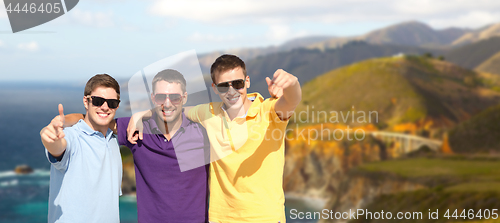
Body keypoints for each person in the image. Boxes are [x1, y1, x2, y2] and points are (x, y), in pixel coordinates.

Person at [129, 54, 302, 222]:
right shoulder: (209, 112)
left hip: (265, 218)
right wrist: (140, 115)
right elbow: (174, 109)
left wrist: (292, 84)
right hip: (220, 218)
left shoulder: (269, 111)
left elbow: (291, 101)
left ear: (247, 81)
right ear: (214, 88)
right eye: (223, 86)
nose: (231, 91)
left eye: (238, 83)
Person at [64, 69, 210, 222]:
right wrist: (60, 121)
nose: (167, 103)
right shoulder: (137, 130)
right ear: (153, 98)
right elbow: (94, 119)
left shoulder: (203, 132)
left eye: (174, 97)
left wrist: (142, 113)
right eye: (161, 97)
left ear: (184, 98)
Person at [40, 74, 123, 223]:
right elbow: (59, 148)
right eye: (98, 101)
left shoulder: (112, 140)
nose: (105, 107)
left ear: (117, 105)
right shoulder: (73, 136)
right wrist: (51, 140)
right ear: (86, 101)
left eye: (111, 103)